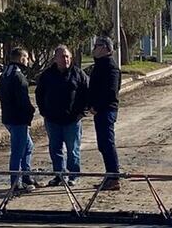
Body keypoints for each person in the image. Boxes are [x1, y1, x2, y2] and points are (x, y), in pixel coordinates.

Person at [35, 45, 88, 187]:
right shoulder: (47, 75)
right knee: (55, 149)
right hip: (52, 120)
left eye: (67, 56)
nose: (65, 59)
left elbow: (87, 94)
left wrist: (83, 112)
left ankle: (74, 175)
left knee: (73, 149)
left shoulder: (78, 74)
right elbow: (39, 94)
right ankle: (59, 175)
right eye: (62, 56)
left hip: (72, 121)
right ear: (55, 58)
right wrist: (43, 111)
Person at [0, 47, 37, 193]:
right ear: (21, 58)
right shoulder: (18, 76)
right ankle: (16, 182)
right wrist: (30, 112)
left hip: (8, 117)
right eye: (27, 58)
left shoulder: (5, 74)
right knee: (18, 150)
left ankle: (26, 175)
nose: (28, 61)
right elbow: (23, 100)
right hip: (18, 118)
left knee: (28, 146)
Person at [88, 36, 122, 191]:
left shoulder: (111, 67)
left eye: (97, 45)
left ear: (106, 48)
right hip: (99, 110)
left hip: (106, 110)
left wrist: (97, 106)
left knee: (107, 143)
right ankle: (109, 175)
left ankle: (114, 177)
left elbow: (111, 92)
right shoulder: (99, 65)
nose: (94, 48)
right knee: (103, 144)